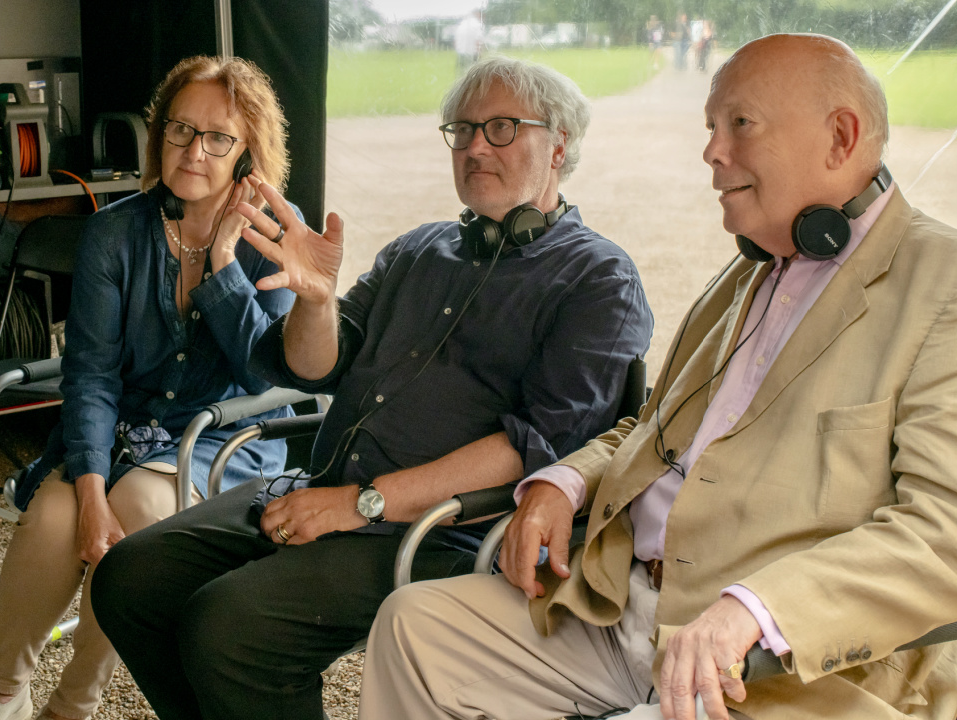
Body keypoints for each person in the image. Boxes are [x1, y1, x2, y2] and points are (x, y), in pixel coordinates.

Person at [359, 33, 957, 720]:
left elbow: (954, 535)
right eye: (711, 128)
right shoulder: (747, 274)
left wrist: (756, 610)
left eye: (739, 125)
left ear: (841, 137)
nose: (712, 152)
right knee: (414, 630)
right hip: (622, 617)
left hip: (779, 673)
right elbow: (650, 429)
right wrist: (561, 483)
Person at [90, 56, 654, 720]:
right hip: (324, 490)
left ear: (558, 144)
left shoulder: (599, 279)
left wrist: (361, 504)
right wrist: (316, 300)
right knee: (129, 579)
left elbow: (534, 449)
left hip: (443, 533)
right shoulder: (420, 249)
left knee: (230, 626)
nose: (475, 146)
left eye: (501, 128)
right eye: (463, 129)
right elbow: (314, 367)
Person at [0, 55, 299, 720]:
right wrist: (86, 493)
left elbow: (265, 373)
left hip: (219, 435)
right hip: (116, 428)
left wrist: (224, 262)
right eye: (179, 130)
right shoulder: (113, 231)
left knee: (140, 503)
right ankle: (4, 687)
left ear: (249, 154)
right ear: (159, 135)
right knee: (57, 517)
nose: (193, 150)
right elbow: (90, 374)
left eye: (217, 138)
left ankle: (75, 700)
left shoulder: (274, 234)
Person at [454, 9, 486, 74]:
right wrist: (480, 54)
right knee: (474, 74)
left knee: (461, 73)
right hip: (473, 53)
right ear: (479, 14)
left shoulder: (462, 24)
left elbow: (456, 41)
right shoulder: (477, 25)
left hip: (461, 53)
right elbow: (478, 41)